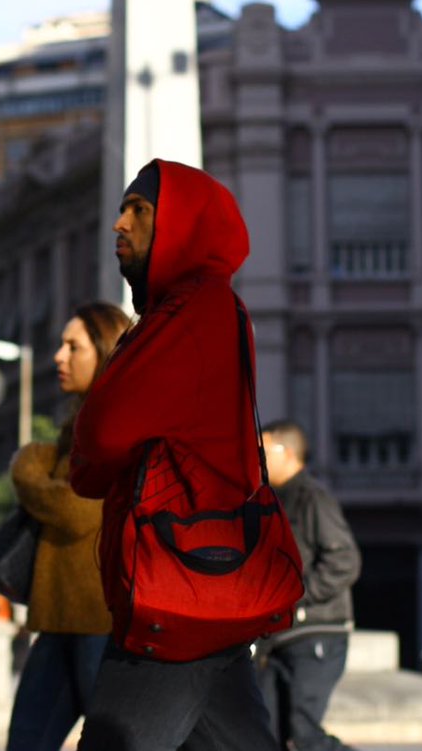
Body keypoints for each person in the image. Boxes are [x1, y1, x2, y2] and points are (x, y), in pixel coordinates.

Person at [70, 160, 280, 750]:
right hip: (197, 568)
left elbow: (103, 432)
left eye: (139, 210)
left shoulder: (193, 310)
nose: (119, 223)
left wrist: (91, 451)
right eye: (123, 208)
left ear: (183, 225)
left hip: (176, 581)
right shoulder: (194, 311)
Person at [5, 301, 131, 751]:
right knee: (25, 742)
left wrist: (28, 467)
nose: (58, 356)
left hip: (99, 620)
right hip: (62, 618)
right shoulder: (78, 423)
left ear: (105, 349)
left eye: (73, 347)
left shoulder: (116, 420)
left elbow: (81, 510)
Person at [256, 420, 361, 751]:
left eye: (263, 450)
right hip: (276, 639)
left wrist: (296, 596)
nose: (257, 458)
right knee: (266, 736)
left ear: (287, 453)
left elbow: (344, 562)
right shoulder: (267, 500)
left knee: (304, 734)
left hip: (316, 633)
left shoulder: (313, 497)